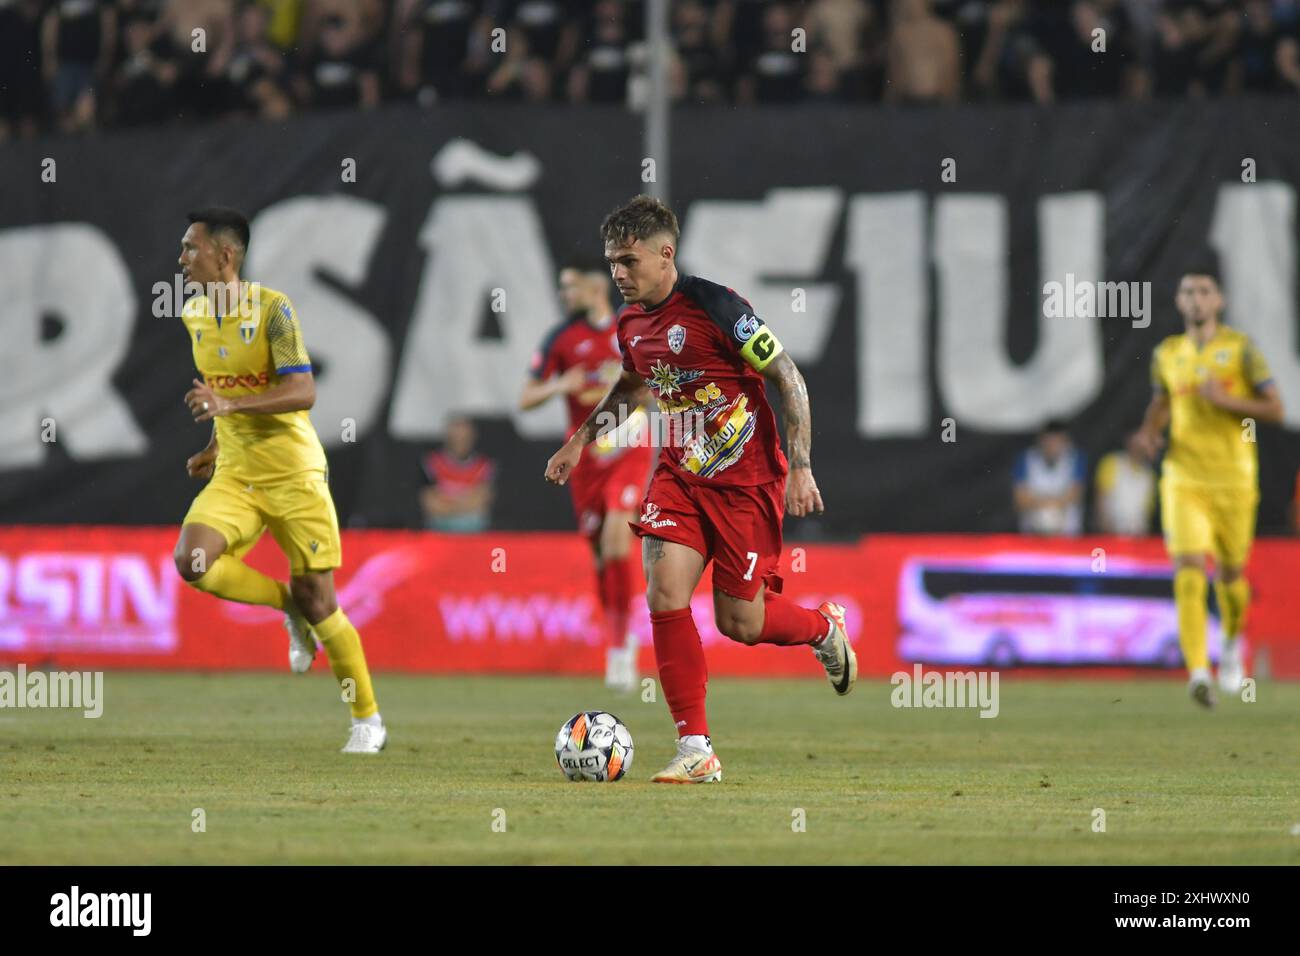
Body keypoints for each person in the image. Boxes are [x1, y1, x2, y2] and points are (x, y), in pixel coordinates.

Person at [544, 195, 855, 784]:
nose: (618, 274)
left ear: (666, 255)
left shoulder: (718, 307)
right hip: (679, 478)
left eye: (628, 261)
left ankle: (822, 628)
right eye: (611, 262)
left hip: (746, 483)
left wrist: (802, 466)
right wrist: (581, 439)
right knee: (664, 593)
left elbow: (787, 375)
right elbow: (633, 390)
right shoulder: (631, 323)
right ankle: (696, 748)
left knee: (741, 622)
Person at [174, 207, 385, 753]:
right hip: (237, 475)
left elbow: (302, 392)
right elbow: (226, 391)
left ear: (225, 255)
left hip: (293, 473)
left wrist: (227, 402)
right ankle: (285, 606)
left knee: (322, 599)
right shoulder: (194, 314)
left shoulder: (273, 311)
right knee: (192, 562)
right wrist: (216, 442)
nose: (181, 259)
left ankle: (367, 721)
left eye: (190, 248)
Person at [1132, 266, 1283, 708]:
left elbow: (1275, 408)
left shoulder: (1241, 350)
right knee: (1189, 567)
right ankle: (1198, 670)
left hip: (1234, 480)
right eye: (1187, 292)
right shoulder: (1168, 353)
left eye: (1204, 291)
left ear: (1218, 301)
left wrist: (1228, 401)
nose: (1196, 299)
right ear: (1179, 303)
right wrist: (1148, 433)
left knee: (1232, 574)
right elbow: (1161, 403)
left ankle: (1232, 642)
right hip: (1184, 477)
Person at [521, 264, 653, 692]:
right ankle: (618, 636)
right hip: (586, 459)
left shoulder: (629, 325)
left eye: (570, 285)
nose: (564, 294)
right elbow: (525, 398)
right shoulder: (561, 340)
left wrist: (640, 399)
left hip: (630, 450)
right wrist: (561, 385)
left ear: (596, 286)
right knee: (600, 557)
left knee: (619, 536)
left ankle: (619, 648)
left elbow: (653, 382)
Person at [419, 415, 495, 533]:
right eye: (456, 437)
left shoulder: (484, 466)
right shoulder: (431, 464)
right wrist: (463, 504)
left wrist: (448, 503)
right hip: (439, 531)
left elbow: (481, 501)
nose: (460, 441)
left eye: (464, 437)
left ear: (472, 437)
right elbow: (430, 503)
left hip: (473, 532)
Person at [1013, 420, 1086, 536]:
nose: (1052, 446)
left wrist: (1050, 505)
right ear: (1041, 440)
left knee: (1052, 515)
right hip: (1033, 533)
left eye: (1057, 442)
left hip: (1067, 534)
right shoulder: (1026, 459)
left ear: (1066, 441)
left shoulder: (1075, 458)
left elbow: (1076, 495)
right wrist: (1046, 505)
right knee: (1044, 516)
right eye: (1049, 441)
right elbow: (1020, 500)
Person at [1093, 435, 1156, 536]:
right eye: (1135, 442)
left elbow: (1147, 510)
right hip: (1112, 530)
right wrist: (1104, 525)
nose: (1138, 447)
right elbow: (1101, 497)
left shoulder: (1149, 474)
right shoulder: (1112, 462)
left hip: (1138, 534)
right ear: (1128, 442)